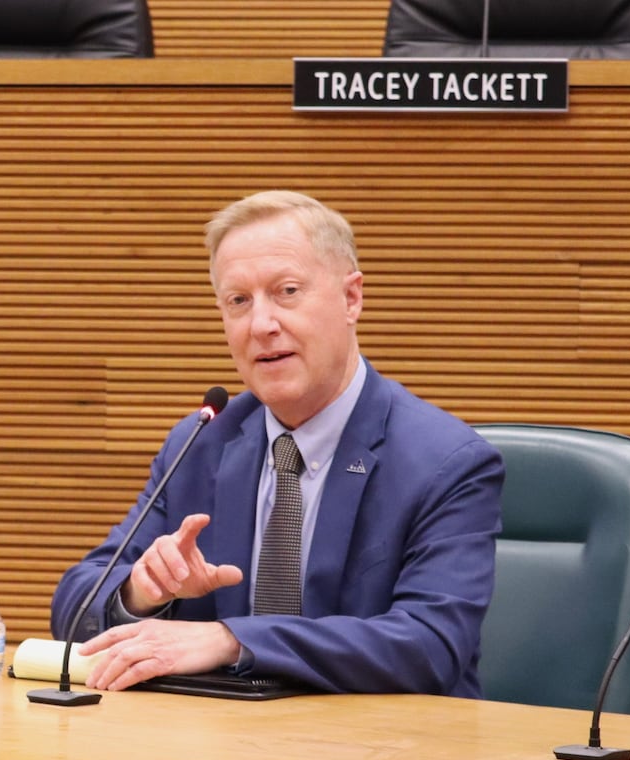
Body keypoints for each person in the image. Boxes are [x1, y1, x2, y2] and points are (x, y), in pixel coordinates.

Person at [52, 191, 503, 696]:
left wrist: (232, 640)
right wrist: (141, 592)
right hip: (220, 753)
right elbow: (75, 607)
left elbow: (431, 645)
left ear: (351, 298)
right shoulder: (203, 441)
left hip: (388, 757)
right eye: (238, 301)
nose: (261, 325)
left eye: (286, 291)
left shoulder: (445, 461)